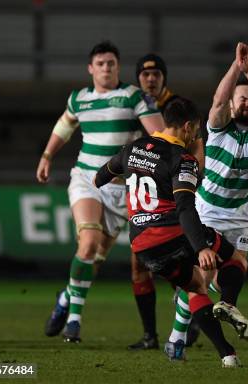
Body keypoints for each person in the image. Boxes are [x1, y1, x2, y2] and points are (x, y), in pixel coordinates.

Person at [94, 95, 247, 367]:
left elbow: (100, 178)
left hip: (142, 246)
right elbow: (186, 208)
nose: (196, 135)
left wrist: (133, 178)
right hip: (172, 234)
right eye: (196, 130)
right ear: (187, 127)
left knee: (196, 286)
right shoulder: (182, 159)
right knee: (236, 260)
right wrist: (200, 248)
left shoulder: (133, 149)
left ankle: (227, 355)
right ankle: (227, 304)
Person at [37, 41, 165, 343]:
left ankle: (66, 297)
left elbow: (159, 135)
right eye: (101, 63)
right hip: (87, 179)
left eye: (111, 63)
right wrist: (47, 156)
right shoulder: (79, 99)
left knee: (93, 262)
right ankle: (74, 323)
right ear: (91, 68)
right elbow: (64, 128)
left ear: (117, 67)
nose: (106, 68)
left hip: (122, 191)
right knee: (89, 242)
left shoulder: (133, 96)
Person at [167, 42, 248, 357]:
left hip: (241, 217)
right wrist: (236, 67)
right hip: (206, 213)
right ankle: (177, 338)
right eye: (242, 99)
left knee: (233, 268)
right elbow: (217, 99)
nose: (247, 104)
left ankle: (223, 307)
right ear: (231, 105)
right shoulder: (215, 130)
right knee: (203, 278)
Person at [127, 53, 205, 351]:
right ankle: (151, 335)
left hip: (172, 196)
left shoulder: (177, 108)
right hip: (140, 196)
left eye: (156, 74)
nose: (150, 78)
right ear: (138, 78)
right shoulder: (129, 104)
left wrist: (191, 178)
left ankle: (188, 319)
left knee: (175, 261)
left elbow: (196, 145)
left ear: (164, 78)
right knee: (139, 265)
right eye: (145, 74)